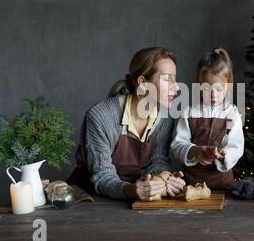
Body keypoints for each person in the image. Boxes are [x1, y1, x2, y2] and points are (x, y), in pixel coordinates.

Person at [68, 47, 185, 201]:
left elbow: (158, 161)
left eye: (174, 78)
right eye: (166, 79)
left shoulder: (165, 118)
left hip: (134, 200)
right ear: (142, 83)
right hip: (90, 201)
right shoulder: (100, 117)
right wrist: (132, 190)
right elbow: (102, 176)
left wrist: (163, 180)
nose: (176, 86)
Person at [170, 47, 244, 190]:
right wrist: (195, 150)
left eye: (219, 89)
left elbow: (237, 146)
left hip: (223, 185)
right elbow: (178, 144)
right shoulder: (189, 112)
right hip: (191, 183)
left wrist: (223, 155)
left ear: (227, 87)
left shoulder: (232, 114)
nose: (213, 95)